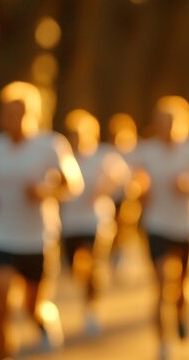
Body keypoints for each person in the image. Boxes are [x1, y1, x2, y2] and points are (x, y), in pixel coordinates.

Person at [0, 81, 84, 359]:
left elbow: (73, 185)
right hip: (0, 235)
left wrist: (45, 191)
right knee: (1, 301)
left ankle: (44, 318)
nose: (10, 120)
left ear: (31, 115)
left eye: (17, 114)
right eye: (6, 113)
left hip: (37, 238)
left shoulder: (51, 145)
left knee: (31, 305)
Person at [132, 96, 189, 359]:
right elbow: (136, 182)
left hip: (187, 227)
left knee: (181, 285)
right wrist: (139, 191)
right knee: (163, 283)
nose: (167, 128)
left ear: (184, 123)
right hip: (155, 225)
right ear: (155, 124)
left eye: (172, 122)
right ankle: (163, 342)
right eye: (162, 122)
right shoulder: (146, 150)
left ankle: (182, 311)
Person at [59, 109, 130, 335]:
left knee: (92, 263)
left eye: (80, 134)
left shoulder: (104, 156)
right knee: (77, 268)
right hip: (69, 223)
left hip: (96, 221)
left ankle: (91, 308)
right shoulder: (63, 158)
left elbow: (125, 180)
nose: (76, 139)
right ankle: (88, 288)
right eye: (72, 134)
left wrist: (106, 186)